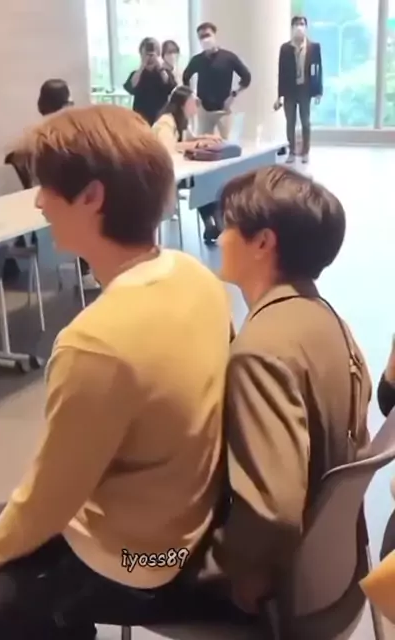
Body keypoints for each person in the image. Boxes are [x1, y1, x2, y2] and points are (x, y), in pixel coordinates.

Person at [0, 104, 232, 639]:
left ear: (92, 197)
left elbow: (51, 499)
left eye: (48, 189)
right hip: (184, 528)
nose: (39, 201)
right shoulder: (193, 276)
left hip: (138, 562)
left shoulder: (95, 342)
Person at [207, 165, 371, 612]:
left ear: (263, 242)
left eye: (228, 226)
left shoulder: (261, 351)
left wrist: (214, 563)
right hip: (333, 571)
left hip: (268, 585)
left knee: (124, 564)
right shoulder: (329, 320)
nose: (219, 237)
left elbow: (272, 514)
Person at [7, 79, 99, 291]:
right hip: (61, 203)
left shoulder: (33, 134)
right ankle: (87, 272)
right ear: (66, 104)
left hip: (42, 202)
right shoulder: (67, 136)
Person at [153, 85, 222, 244]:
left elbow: (189, 139)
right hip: (162, 174)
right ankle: (215, 223)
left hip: (177, 170)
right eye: (193, 101)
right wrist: (196, 145)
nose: (196, 105)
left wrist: (206, 138)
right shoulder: (166, 121)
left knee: (206, 178)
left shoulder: (181, 120)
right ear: (183, 103)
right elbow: (169, 147)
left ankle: (213, 224)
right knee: (203, 180)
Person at [183, 23, 251, 141]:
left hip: (223, 109)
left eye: (207, 35)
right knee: (203, 143)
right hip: (204, 109)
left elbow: (246, 77)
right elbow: (186, 77)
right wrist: (192, 96)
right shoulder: (197, 60)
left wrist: (234, 94)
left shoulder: (228, 57)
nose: (205, 39)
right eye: (201, 37)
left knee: (226, 143)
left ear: (214, 35)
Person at [274, 16, 323, 165]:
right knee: (290, 122)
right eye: (296, 24)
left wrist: (318, 91)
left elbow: (318, 69)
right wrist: (279, 96)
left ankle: (305, 151)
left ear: (306, 27)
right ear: (292, 28)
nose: (299, 27)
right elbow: (281, 72)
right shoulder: (285, 48)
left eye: (301, 24)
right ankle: (292, 151)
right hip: (289, 90)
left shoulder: (314, 47)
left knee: (305, 122)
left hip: (305, 89)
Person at [123, 37, 176, 125]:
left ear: (158, 54)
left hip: (161, 118)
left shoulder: (164, 73)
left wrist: (159, 65)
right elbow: (131, 87)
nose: (150, 57)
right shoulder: (137, 74)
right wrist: (142, 65)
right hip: (141, 118)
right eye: (146, 53)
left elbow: (170, 86)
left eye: (153, 53)